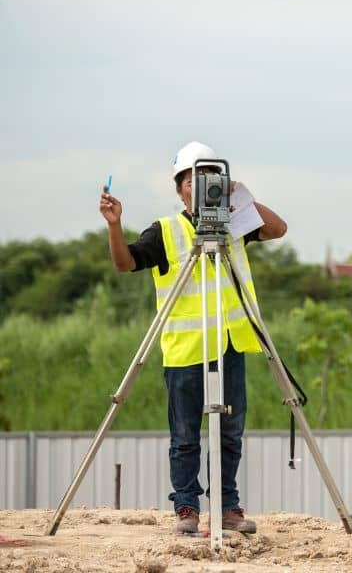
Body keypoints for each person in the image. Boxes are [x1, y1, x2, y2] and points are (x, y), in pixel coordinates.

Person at [99, 141, 287, 534]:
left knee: (231, 433)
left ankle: (228, 507)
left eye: (208, 178)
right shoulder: (166, 231)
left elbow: (277, 229)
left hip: (231, 344)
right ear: (179, 188)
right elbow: (124, 263)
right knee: (185, 435)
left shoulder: (233, 226)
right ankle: (186, 507)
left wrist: (240, 194)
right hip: (186, 352)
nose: (200, 186)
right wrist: (115, 226)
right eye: (191, 180)